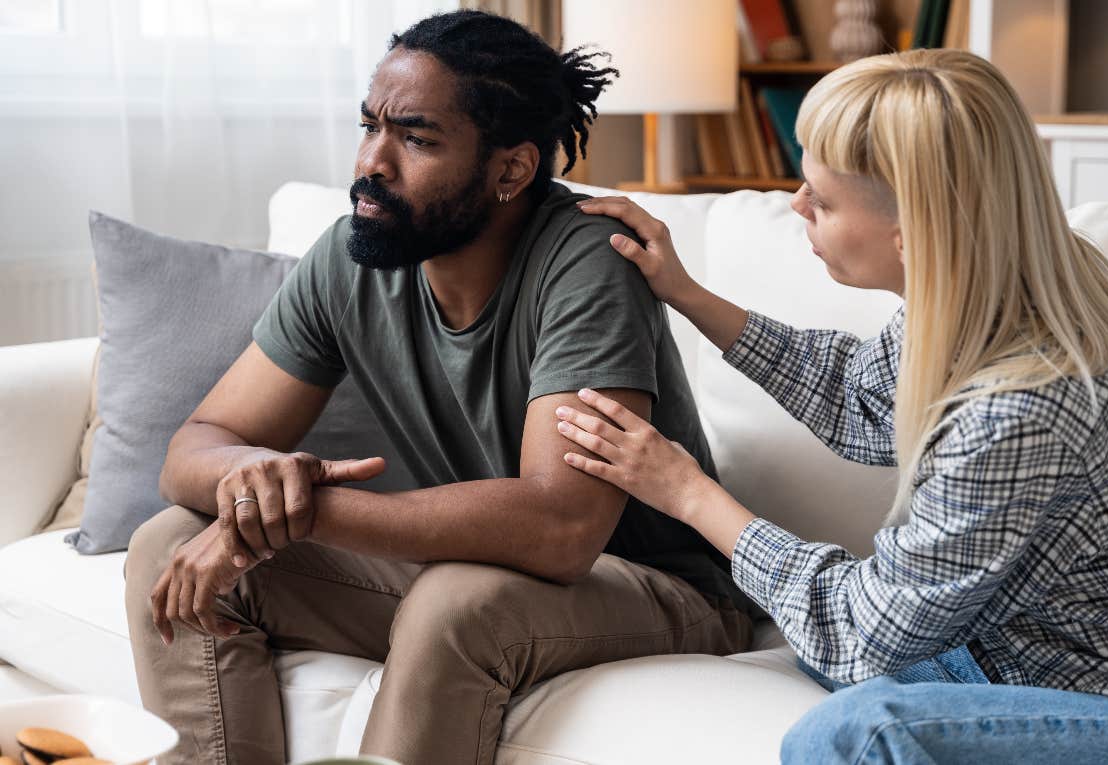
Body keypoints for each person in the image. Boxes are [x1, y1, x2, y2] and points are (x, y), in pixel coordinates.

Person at [555, 49, 1108, 764]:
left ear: (915, 231)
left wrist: (688, 492)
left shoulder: (1022, 407)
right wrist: (688, 294)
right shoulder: (1008, 285)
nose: (795, 205)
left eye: (824, 200)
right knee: (818, 630)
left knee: (854, 728)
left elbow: (867, 630)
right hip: (1067, 652)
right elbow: (865, 400)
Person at [123, 10, 755, 765]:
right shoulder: (348, 258)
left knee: (458, 600)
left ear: (511, 170)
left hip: (661, 589)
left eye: (417, 139)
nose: (372, 163)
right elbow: (194, 448)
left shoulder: (590, 257)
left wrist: (304, 510)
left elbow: (562, 524)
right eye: (370, 127)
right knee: (169, 542)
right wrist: (257, 483)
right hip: (490, 572)